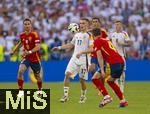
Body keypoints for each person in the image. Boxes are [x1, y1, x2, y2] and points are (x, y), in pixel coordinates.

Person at [77, 28, 128, 107]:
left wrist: (102, 70)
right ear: (100, 34)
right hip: (121, 62)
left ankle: (106, 97)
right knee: (110, 81)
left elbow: (99, 56)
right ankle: (123, 101)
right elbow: (93, 49)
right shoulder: (105, 40)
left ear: (93, 36)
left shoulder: (97, 41)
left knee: (94, 78)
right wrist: (82, 52)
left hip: (112, 63)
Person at [52, 18, 92, 103]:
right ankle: (65, 96)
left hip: (84, 59)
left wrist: (82, 52)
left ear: (87, 25)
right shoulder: (77, 35)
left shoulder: (89, 35)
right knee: (67, 74)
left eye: (83, 23)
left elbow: (92, 48)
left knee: (82, 80)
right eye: (80, 23)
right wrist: (59, 48)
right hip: (74, 58)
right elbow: (71, 45)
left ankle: (83, 95)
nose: (81, 25)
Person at [10, 18, 42, 97]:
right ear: (23, 25)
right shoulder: (22, 35)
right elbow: (21, 43)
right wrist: (14, 51)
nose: (27, 25)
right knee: (20, 71)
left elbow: (38, 47)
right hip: (26, 57)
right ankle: (21, 91)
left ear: (31, 25)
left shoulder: (35, 34)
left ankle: (40, 90)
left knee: (37, 76)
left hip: (35, 58)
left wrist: (29, 51)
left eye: (28, 24)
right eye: (25, 24)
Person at [110, 21, 132, 93]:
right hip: (113, 57)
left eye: (118, 24)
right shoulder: (112, 34)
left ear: (121, 25)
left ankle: (121, 88)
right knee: (114, 73)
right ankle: (115, 88)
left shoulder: (124, 34)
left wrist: (122, 43)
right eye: (116, 24)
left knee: (122, 72)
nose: (117, 26)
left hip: (121, 55)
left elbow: (129, 43)